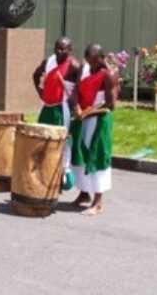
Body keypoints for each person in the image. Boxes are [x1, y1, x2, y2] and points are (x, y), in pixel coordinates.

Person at [70, 44, 118, 216]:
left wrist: (89, 112)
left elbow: (111, 105)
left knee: (97, 156)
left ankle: (98, 201)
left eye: (93, 62)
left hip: (99, 119)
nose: (90, 65)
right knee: (80, 154)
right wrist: (76, 107)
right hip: (82, 117)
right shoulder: (84, 69)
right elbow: (75, 90)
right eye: (88, 61)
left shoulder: (109, 75)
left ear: (100, 58)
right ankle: (83, 193)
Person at [33, 37, 82, 186]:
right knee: (41, 138)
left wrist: (76, 107)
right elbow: (35, 75)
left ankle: (63, 174)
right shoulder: (49, 61)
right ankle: (42, 171)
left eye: (63, 48)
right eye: (57, 48)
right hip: (47, 106)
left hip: (63, 108)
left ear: (70, 50)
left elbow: (79, 89)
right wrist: (40, 92)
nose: (59, 51)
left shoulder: (74, 65)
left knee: (61, 141)